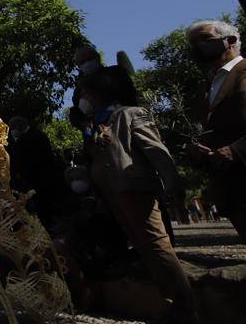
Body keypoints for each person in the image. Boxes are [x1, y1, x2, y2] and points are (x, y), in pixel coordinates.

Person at [80, 68, 197, 324]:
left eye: (86, 92)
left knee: (157, 243)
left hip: (133, 187)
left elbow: (156, 151)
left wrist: (172, 183)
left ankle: (187, 305)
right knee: (142, 244)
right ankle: (170, 300)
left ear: (99, 92)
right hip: (111, 191)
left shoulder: (129, 114)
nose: (82, 97)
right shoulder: (95, 122)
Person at [186, 19, 246, 277]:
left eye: (203, 40)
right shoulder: (204, 90)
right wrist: (197, 152)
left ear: (231, 40)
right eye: (192, 44)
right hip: (233, 193)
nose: (197, 48)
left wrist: (238, 150)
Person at [6, 115, 68, 226]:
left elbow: (40, 159)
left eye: (12, 128)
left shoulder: (36, 137)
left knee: (47, 210)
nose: (12, 131)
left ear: (19, 125)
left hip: (42, 180)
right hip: (33, 182)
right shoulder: (25, 139)